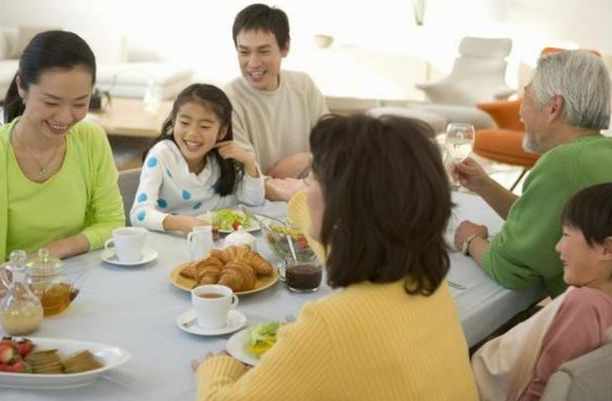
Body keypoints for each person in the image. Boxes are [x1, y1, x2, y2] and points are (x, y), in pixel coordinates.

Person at [192, 115, 479, 401]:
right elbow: (352, 241)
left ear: (343, 205)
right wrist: (301, 200)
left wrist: (218, 367)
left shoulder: (328, 326)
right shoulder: (428, 283)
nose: (306, 186)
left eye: (311, 179)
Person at [0, 30, 124, 303]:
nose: (65, 117)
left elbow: (112, 222)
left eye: (80, 103)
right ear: (22, 87)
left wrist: (48, 254)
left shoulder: (91, 139)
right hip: (10, 298)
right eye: (51, 102)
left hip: (78, 286)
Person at [452, 50, 612, 297]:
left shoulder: (562, 164)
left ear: (553, 107)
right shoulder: (601, 152)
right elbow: (541, 220)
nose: (520, 112)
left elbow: (510, 270)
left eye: (525, 96)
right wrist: (483, 185)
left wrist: (470, 239)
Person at [472, 183, 612, 401]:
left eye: (565, 235)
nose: (557, 247)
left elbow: (545, 390)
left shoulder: (586, 306)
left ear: (606, 249)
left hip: (479, 388)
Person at [225, 3, 329, 200]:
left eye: (263, 51)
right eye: (244, 52)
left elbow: (332, 150)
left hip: (309, 200)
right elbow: (247, 179)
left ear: (285, 48)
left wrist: (305, 159)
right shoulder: (228, 100)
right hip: (256, 206)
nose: (253, 63)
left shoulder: (303, 85)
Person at [130, 84, 264, 234]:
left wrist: (248, 161)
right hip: (170, 241)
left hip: (215, 243)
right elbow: (139, 215)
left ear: (222, 132)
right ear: (174, 122)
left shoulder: (222, 157)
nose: (193, 133)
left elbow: (254, 201)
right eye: (185, 123)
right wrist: (182, 223)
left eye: (205, 126)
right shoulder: (161, 155)